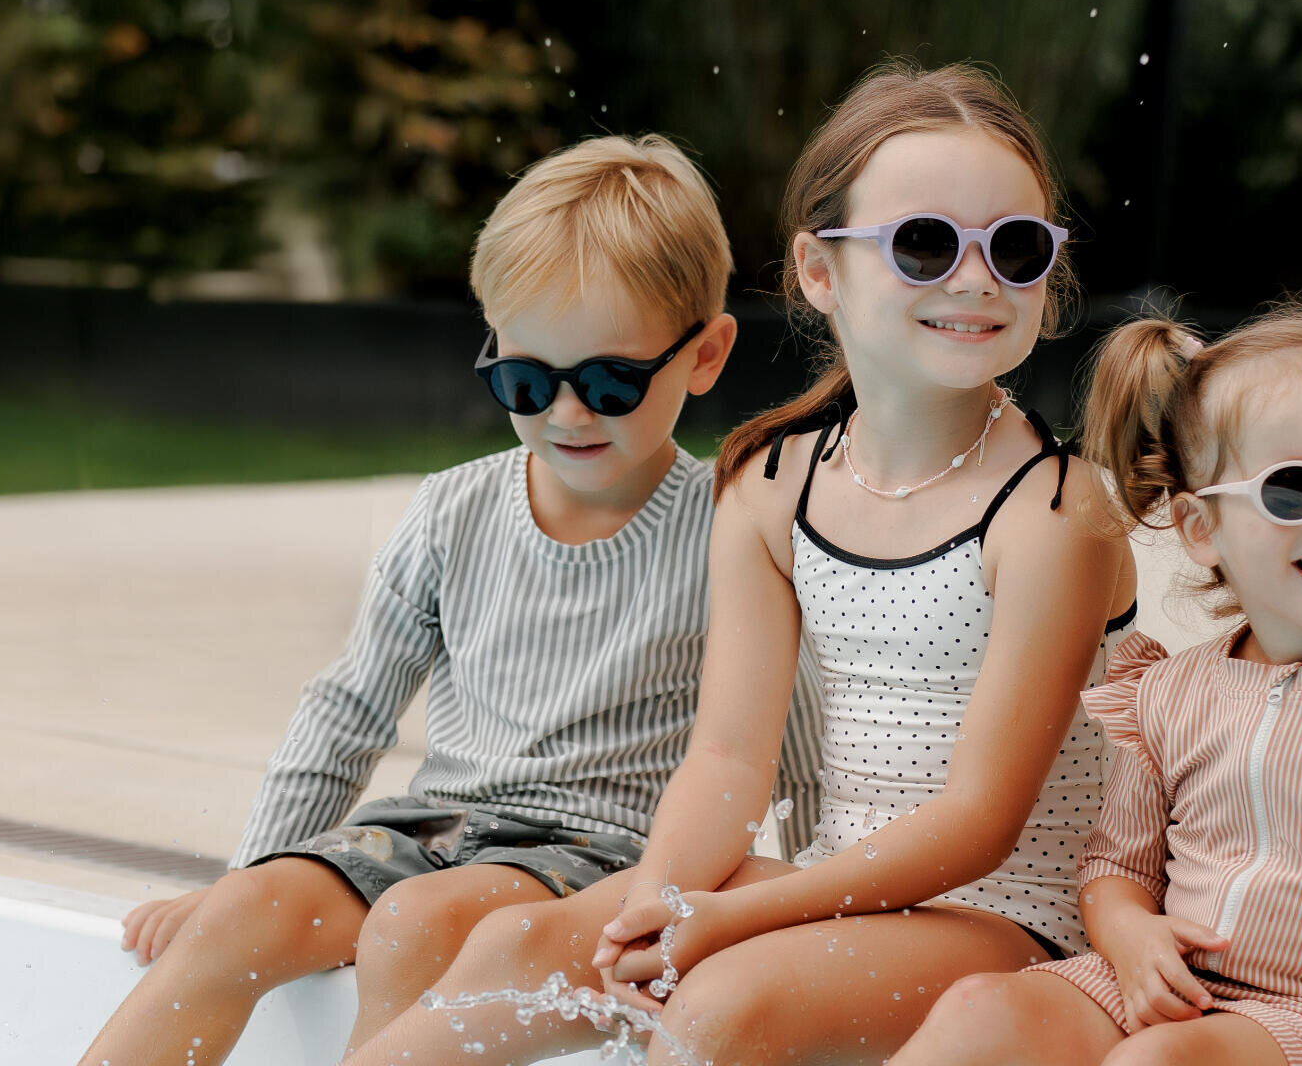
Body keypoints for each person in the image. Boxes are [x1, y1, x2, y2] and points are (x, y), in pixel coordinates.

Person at [340, 60, 1140, 1066]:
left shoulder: (1055, 511)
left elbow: (980, 824)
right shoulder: (771, 482)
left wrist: (724, 916)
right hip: (840, 883)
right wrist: (657, 900)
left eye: (1015, 248)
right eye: (925, 245)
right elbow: (726, 761)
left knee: (720, 1003)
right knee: (521, 943)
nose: (975, 279)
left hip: (1011, 919)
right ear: (819, 270)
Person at [78, 133, 822, 1066]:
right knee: (236, 914)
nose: (565, 414)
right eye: (524, 380)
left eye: (608, 381)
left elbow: (786, 749)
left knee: (414, 923)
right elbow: (349, 709)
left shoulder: (730, 529)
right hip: (433, 827)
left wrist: (803, 902)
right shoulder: (453, 511)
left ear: (707, 355)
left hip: (600, 853)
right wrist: (256, 867)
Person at [889, 302, 1302, 1066]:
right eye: (1293, 490)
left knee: (1159, 1063)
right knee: (981, 1007)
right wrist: (1131, 934)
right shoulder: (1170, 695)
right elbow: (1116, 869)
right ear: (1202, 529)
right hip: (1160, 990)